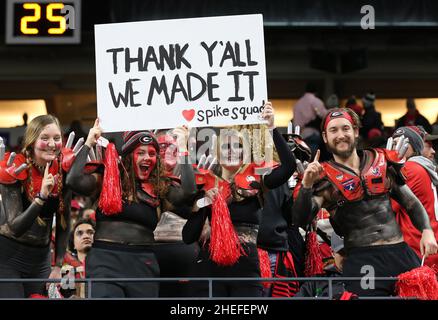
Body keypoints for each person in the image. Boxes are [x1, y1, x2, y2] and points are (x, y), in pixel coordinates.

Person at [292, 108, 437, 297]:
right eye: (334, 130)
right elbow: (300, 219)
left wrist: (426, 231)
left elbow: (411, 203)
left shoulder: (382, 161)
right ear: (325, 137)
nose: (341, 135)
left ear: (356, 131)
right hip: (362, 258)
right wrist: (307, 185)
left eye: (345, 128)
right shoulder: (323, 178)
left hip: (400, 252)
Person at [66, 120, 196, 298]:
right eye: (140, 153)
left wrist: (183, 148)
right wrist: (89, 142)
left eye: (152, 153)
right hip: (105, 260)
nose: (147, 158)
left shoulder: (160, 186)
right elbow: (72, 181)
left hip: (143, 263)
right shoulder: (108, 178)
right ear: (128, 156)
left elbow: (189, 191)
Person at [183, 102, 296, 297]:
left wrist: (272, 127)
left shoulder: (257, 181)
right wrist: (201, 204)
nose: (232, 150)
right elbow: (188, 236)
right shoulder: (207, 185)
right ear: (217, 153)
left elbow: (288, 167)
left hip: (246, 270)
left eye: (238, 146)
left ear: (245, 154)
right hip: (209, 270)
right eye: (226, 146)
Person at [0, 114, 72, 298]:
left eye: (56, 138)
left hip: (41, 259)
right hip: (8, 256)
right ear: (32, 141)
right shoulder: (15, 166)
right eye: (44, 138)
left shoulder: (62, 169)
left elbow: (64, 223)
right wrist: (42, 197)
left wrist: (57, 266)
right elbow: (15, 227)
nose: (51, 144)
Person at [152, 129, 199, 297]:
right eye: (161, 146)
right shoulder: (146, 178)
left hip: (186, 255)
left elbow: (190, 195)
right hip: (152, 257)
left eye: (169, 145)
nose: (165, 150)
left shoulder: (192, 175)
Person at [391, 126, 438, 267]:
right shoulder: (423, 168)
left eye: (400, 143)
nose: (396, 148)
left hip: (417, 251)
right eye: (393, 143)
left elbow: (386, 207)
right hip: (426, 248)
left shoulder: (410, 168)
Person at [294, 232, 348, 299]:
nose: (346, 257)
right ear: (332, 252)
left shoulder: (363, 279)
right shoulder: (316, 282)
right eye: (342, 253)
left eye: (350, 252)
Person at [61, 218, 95, 298]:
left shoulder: (105, 263)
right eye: (80, 233)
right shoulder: (67, 268)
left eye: (90, 233)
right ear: (73, 244)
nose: (86, 236)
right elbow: (67, 295)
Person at [293, 82, 328, 156]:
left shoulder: (297, 104)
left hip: (301, 136)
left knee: (306, 158)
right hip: (313, 133)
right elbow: (324, 115)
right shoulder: (315, 101)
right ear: (316, 91)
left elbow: (295, 122)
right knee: (315, 157)